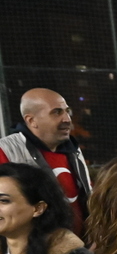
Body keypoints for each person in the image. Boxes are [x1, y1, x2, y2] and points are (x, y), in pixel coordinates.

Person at [0, 89, 94, 236]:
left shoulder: (73, 150)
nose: (67, 119)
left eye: (67, 111)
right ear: (32, 120)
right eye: (56, 112)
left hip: (79, 245)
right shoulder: (5, 151)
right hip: (36, 247)